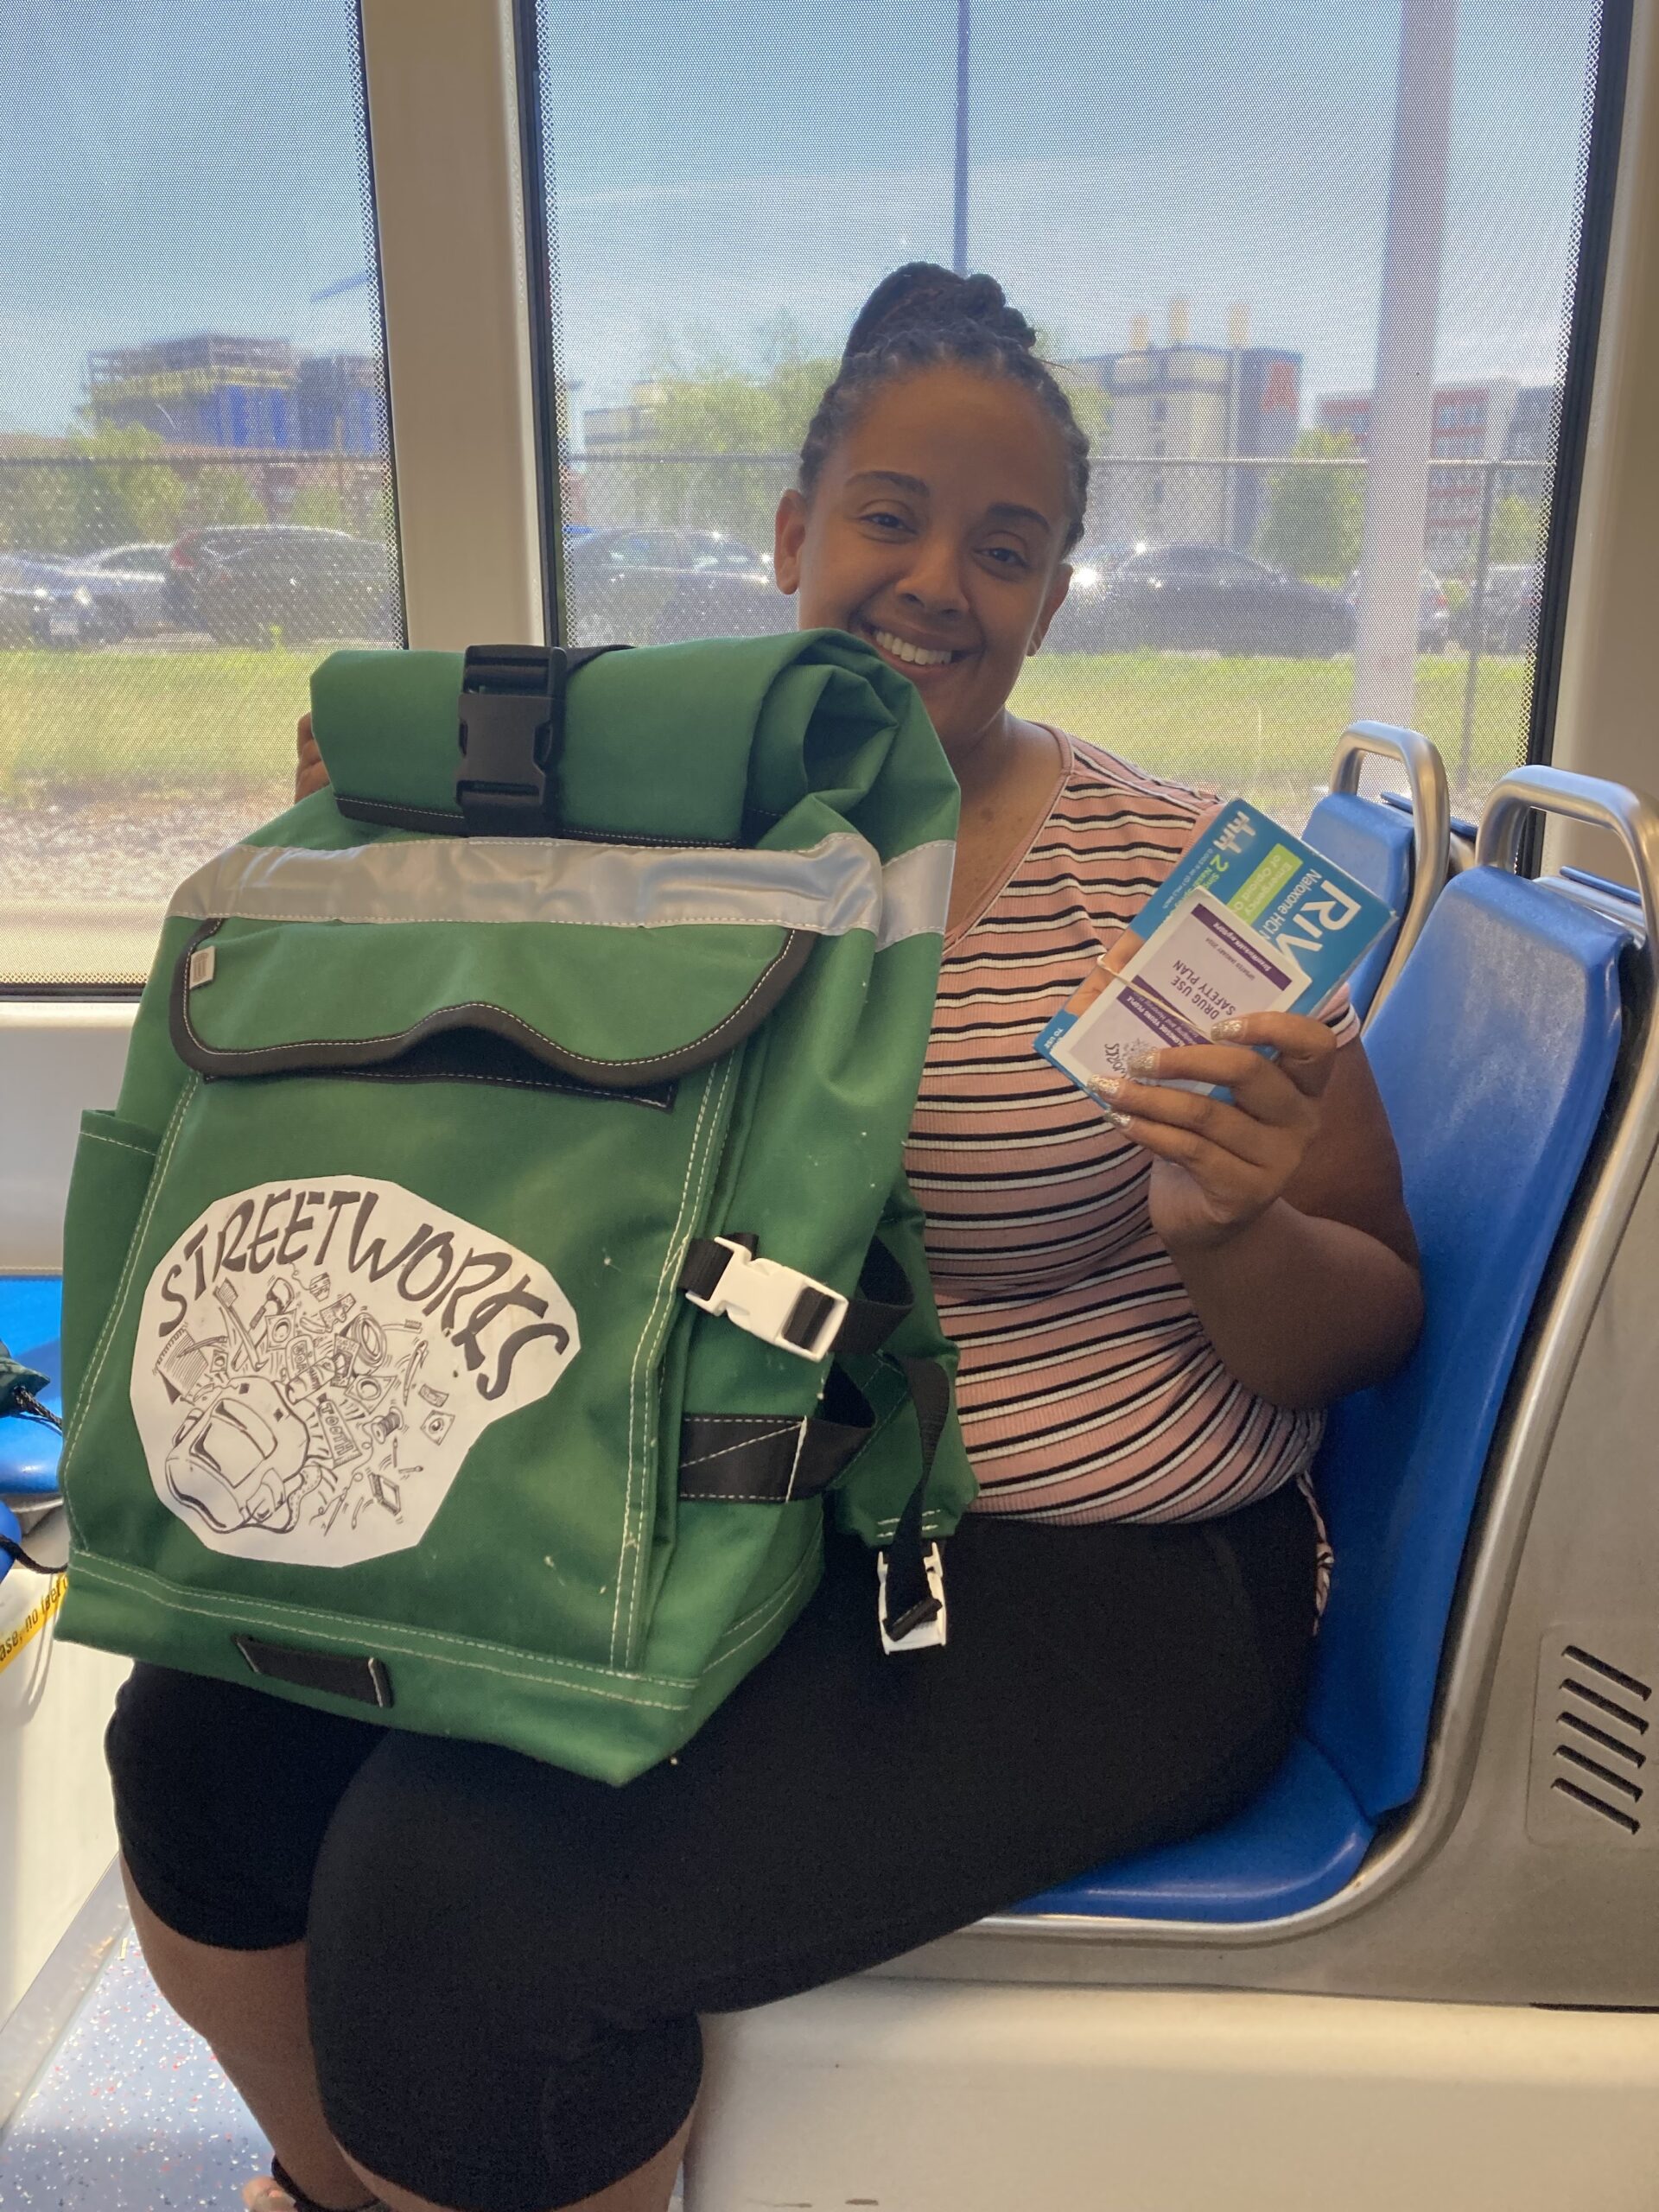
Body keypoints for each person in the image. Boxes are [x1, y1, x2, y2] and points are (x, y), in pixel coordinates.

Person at [111, 264, 1422, 2212]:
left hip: (1096, 1564)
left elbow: (1369, 1310)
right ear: (794, 530)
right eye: (890, 515)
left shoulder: (1171, 885)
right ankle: (342, 2182)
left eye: (1007, 544)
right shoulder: (649, 823)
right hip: (735, 1506)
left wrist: (1224, 1224)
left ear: (1056, 595)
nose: (937, 583)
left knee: (455, 1902)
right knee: (200, 1751)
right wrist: (375, 881)